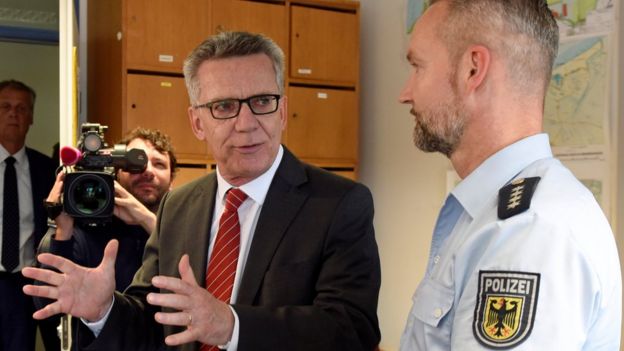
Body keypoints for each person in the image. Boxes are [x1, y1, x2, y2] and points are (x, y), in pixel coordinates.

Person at [23, 31, 381, 351]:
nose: (246, 124)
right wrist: (105, 309)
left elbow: (352, 331)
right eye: (224, 107)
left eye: (262, 101)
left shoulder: (339, 204)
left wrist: (231, 325)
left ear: (283, 111)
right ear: (197, 122)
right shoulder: (178, 206)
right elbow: (152, 324)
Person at [397, 0, 621, 350]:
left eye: (418, 67)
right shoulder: (492, 211)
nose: (405, 94)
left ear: (473, 69)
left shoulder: (529, 231)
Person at [35, 127, 177, 350]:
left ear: (172, 181)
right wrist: (61, 229)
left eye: (159, 164)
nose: (147, 171)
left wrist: (148, 221)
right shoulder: (86, 231)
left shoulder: (185, 226)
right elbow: (47, 300)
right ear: (117, 173)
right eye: (136, 164)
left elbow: (197, 273)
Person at [0, 79, 56, 351]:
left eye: (22, 108)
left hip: (26, 282)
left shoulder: (46, 169)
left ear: (31, 117)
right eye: (6, 106)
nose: (14, 113)